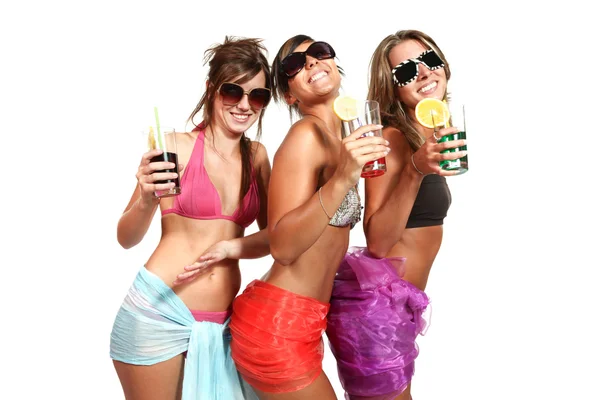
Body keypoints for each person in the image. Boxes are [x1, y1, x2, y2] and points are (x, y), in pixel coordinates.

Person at [109, 36, 273, 400]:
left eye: (258, 96)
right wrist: (147, 200)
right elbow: (126, 237)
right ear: (211, 89)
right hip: (158, 313)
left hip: (225, 324)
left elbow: (275, 239)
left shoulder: (258, 157)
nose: (245, 105)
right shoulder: (175, 145)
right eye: (233, 92)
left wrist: (232, 247)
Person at [227, 35, 390, 400]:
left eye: (319, 53)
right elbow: (282, 245)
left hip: (307, 322)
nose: (312, 63)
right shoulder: (306, 135)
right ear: (289, 95)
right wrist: (346, 176)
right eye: (294, 65)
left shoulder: (341, 137)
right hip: (278, 324)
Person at [326, 30, 467, 400]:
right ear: (393, 87)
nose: (423, 73)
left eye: (430, 60)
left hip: (396, 309)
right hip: (376, 313)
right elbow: (378, 241)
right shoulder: (393, 139)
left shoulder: (427, 136)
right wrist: (414, 169)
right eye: (406, 71)